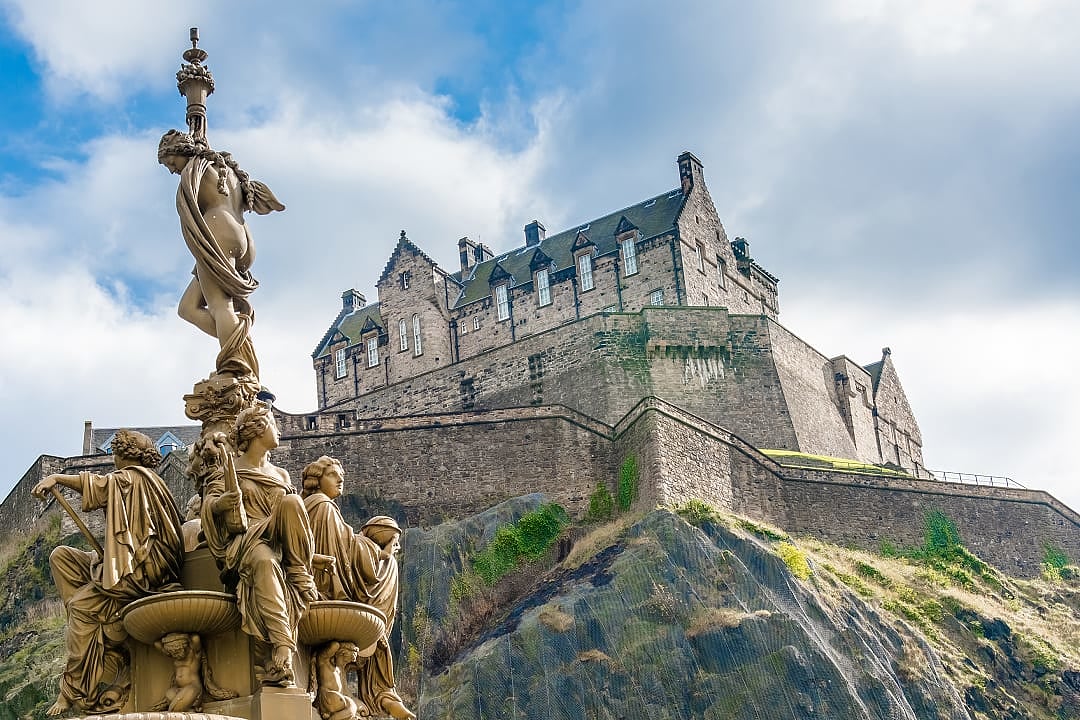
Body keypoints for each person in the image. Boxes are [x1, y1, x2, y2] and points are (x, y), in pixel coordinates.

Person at [32, 430, 184, 716]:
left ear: (124, 454)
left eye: (115, 452)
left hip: (140, 572)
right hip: (126, 562)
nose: (112, 458)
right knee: (62, 557)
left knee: (80, 606)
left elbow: (99, 485)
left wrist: (57, 478)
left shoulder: (133, 477)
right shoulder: (149, 481)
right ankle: (94, 625)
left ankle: (76, 690)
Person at [200, 405, 317, 686]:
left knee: (291, 501)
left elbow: (295, 519)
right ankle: (283, 646)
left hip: (280, 541)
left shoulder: (282, 475)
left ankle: (299, 572)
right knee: (264, 561)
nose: (278, 431)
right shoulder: (232, 469)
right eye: (273, 424)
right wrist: (220, 504)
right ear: (257, 430)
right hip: (248, 541)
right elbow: (208, 506)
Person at [158, 129, 284, 378]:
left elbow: (188, 203)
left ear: (181, 151)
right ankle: (239, 342)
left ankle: (234, 367)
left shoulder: (196, 167)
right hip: (241, 235)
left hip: (218, 231)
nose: (172, 170)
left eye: (171, 162)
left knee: (219, 305)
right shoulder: (221, 168)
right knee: (187, 308)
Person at [302, 456, 416, 720]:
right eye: (333, 475)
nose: (340, 480)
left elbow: (346, 542)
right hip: (328, 586)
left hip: (318, 584)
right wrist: (383, 554)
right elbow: (344, 548)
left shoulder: (313, 507)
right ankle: (382, 695)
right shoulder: (324, 508)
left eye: (341, 475)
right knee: (388, 570)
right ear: (318, 480)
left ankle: (383, 696)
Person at [309, 640, 361, 720]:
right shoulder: (324, 661)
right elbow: (335, 645)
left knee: (352, 707)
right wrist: (342, 644)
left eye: (347, 662)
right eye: (345, 660)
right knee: (350, 708)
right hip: (326, 696)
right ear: (339, 654)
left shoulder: (338, 669)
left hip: (336, 699)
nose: (345, 663)